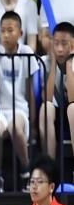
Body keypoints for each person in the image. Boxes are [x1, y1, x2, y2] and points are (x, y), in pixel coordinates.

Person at [0, 11, 38, 193]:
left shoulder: (27, 53)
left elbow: (30, 91)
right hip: (0, 109)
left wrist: (33, 123)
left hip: (20, 108)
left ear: (20, 33)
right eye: (2, 31)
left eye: (10, 30)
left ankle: (27, 172)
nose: (5, 35)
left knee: (15, 126)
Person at [39, 22, 74, 159]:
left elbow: (72, 99)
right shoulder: (44, 61)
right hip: (56, 110)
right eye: (56, 43)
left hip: (71, 109)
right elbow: (47, 98)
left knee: (72, 110)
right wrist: (53, 63)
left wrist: (69, 63)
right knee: (45, 109)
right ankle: (50, 164)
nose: (59, 49)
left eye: (64, 44)